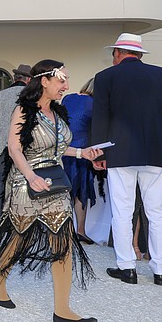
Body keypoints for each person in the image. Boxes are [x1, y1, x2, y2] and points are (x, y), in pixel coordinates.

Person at [0, 60, 103, 322]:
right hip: (26, 182)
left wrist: (81, 153)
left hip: (56, 183)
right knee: (19, 240)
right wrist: (31, 176)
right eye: (62, 79)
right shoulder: (23, 110)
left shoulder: (58, 113)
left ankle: (62, 310)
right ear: (44, 81)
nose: (66, 85)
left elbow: (58, 148)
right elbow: (14, 149)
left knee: (63, 243)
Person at [92, 33, 162, 286]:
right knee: (158, 212)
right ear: (139, 54)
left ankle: (127, 266)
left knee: (122, 210)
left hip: (119, 152)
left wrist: (98, 152)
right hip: (156, 152)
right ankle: (161, 269)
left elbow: (101, 118)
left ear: (118, 53)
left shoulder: (106, 77)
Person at [0, 64, 32, 213]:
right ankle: (22, 213)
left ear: (15, 78)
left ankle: (2, 215)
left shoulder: (0, 95)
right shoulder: (32, 95)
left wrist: (3, 128)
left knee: (3, 181)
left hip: (4, 144)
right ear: (28, 79)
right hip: (26, 145)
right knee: (25, 179)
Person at [61, 78, 97, 244]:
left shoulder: (68, 98)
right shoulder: (94, 103)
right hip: (84, 149)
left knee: (66, 188)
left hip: (66, 147)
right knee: (81, 190)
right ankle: (80, 230)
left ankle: (64, 229)